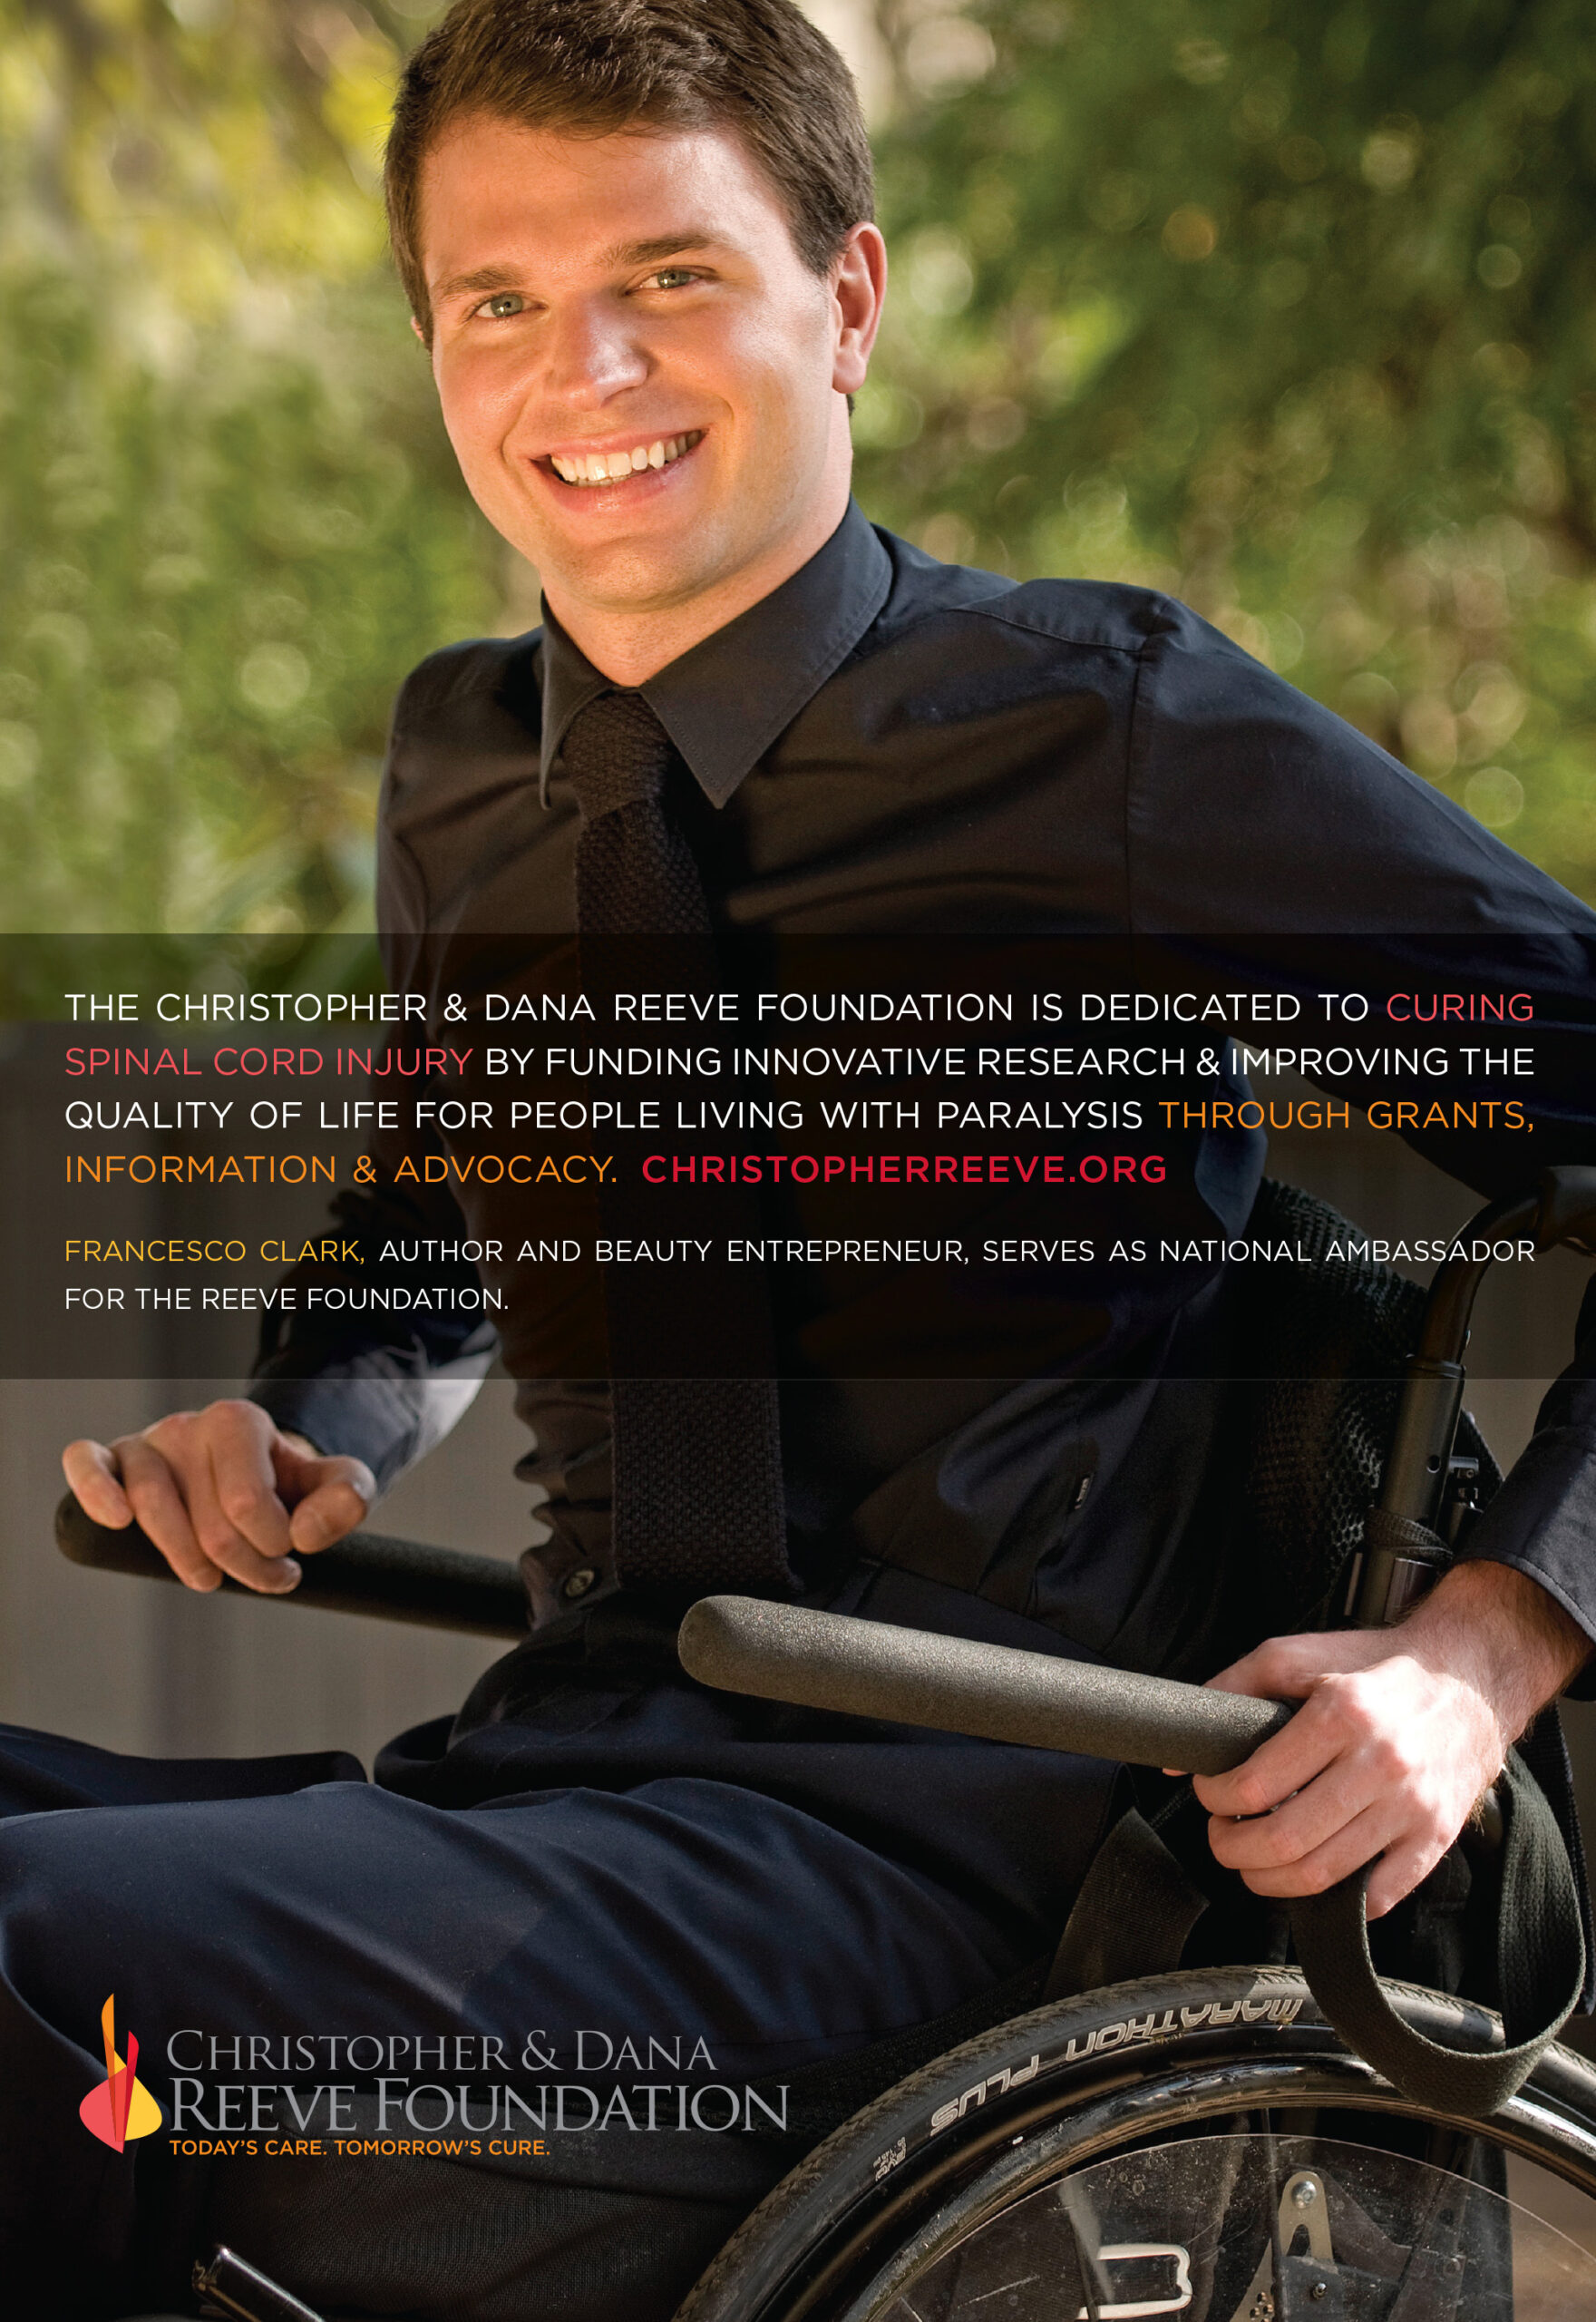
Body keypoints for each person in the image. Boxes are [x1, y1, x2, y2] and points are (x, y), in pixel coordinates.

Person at [25, 1, 1596, 2314]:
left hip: (949, 1886)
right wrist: (304, 1426)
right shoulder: (466, 767)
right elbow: (439, 1210)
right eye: (500, 299)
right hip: (562, 1790)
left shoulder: (1110, 738)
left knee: (39, 1963)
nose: (587, 369)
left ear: (844, 301)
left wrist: (1483, 1651)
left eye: (668, 275)